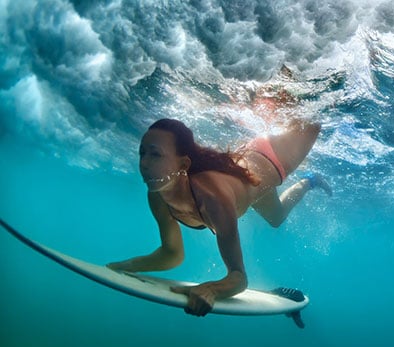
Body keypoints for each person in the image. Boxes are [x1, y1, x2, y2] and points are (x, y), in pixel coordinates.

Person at [107, 118, 332, 316]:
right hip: (254, 178)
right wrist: (125, 266)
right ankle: (310, 180)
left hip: (276, 157)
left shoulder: (211, 197)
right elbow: (172, 254)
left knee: (313, 114)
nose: (144, 163)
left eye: (155, 154)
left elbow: (239, 277)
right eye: (142, 153)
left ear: (183, 164)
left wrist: (212, 289)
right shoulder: (157, 195)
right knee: (277, 218)